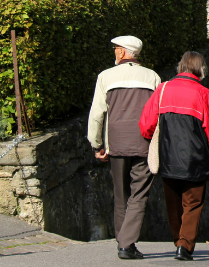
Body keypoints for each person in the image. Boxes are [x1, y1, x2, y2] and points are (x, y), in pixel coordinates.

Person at [139, 51, 209, 261]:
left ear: (181, 67)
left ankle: (178, 242)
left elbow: (146, 124)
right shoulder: (202, 93)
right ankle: (184, 246)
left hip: (168, 157)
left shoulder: (163, 89)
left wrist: (154, 139)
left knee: (173, 203)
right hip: (195, 159)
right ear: (199, 69)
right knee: (192, 204)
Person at [88, 35, 161, 260]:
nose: (114, 52)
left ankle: (124, 243)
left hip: (116, 144)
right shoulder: (153, 77)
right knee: (139, 194)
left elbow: (97, 114)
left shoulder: (105, 76)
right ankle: (126, 244)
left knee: (120, 195)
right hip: (144, 143)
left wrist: (96, 144)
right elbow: (159, 113)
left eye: (116, 48)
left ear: (122, 52)